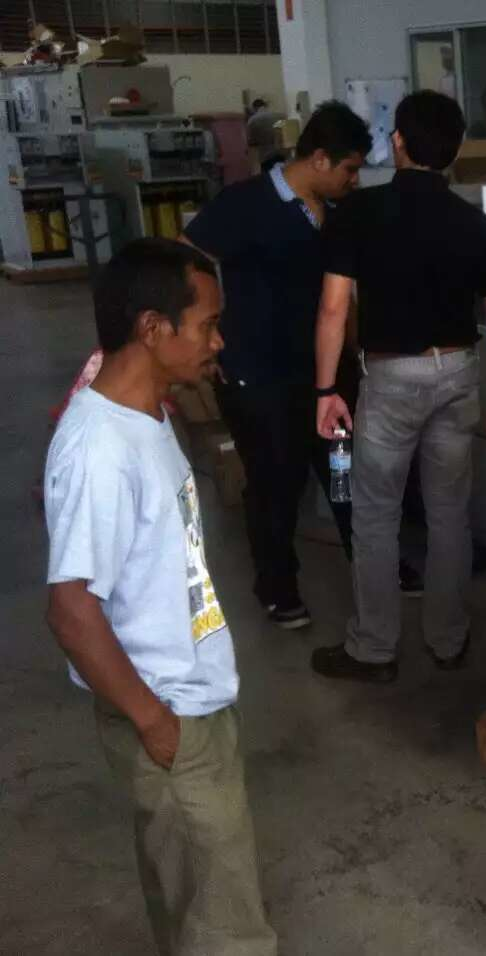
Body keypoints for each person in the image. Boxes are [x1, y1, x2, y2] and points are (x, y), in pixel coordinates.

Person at [44, 239, 276, 955]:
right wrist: (156, 724)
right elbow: (72, 610)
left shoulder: (147, 412)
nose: (218, 340)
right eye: (206, 324)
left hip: (192, 698)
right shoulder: (100, 450)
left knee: (192, 903)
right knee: (228, 927)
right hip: (169, 713)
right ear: (152, 329)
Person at [312, 90, 486, 683]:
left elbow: (332, 310)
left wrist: (328, 389)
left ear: (397, 140)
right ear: (452, 152)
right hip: (458, 373)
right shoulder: (474, 222)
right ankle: (447, 639)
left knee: (376, 514)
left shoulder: (359, 213)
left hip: (393, 379)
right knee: (450, 513)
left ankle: (374, 649)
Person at [183, 101, 374, 629]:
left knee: (343, 475)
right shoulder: (244, 204)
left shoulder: (335, 212)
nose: (353, 181)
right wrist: (212, 335)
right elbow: (183, 260)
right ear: (318, 158)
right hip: (259, 377)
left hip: (327, 380)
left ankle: (372, 567)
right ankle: (277, 587)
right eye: (349, 169)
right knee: (275, 485)